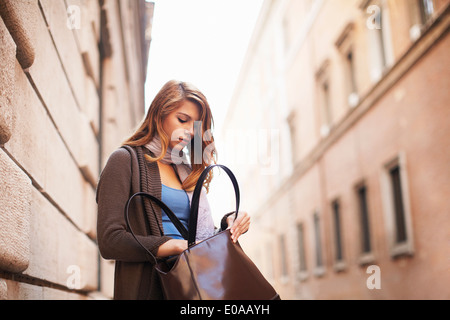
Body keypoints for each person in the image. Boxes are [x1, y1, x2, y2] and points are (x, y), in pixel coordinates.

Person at [96, 80, 251, 300]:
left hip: (193, 288)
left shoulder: (186, 171)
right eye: (182, 120)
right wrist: (177, 246)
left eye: (195, 125)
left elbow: (199, 240)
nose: (189, 131)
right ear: (159, 114)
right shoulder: (125, 160)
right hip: (149, 289)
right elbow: (110, 241)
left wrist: (229, 225)